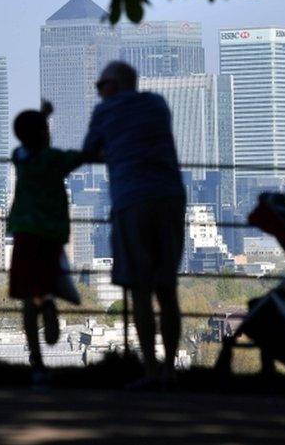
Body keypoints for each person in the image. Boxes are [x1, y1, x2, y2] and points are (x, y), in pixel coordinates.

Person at [82, 61, 186, 389]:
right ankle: (170, 371)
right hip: (170, 197)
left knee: (139, 291)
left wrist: (113, 151)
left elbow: (88, 152)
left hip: (132, 200)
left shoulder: (105, 111)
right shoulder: (156, 104)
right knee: (167, 289)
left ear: (112, 86)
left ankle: (151, 373)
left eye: (101, 86)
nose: (99, 92)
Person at [7, 101, 86, 386]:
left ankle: (37, 363)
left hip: (24, 232)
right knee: (47, 281)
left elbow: (27, 142)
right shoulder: (54, 159)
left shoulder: (20, 157)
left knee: (28, 297)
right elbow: (83, 155)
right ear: (44, 134)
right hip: (51, 234)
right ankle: (49, 301)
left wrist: (40, 118)